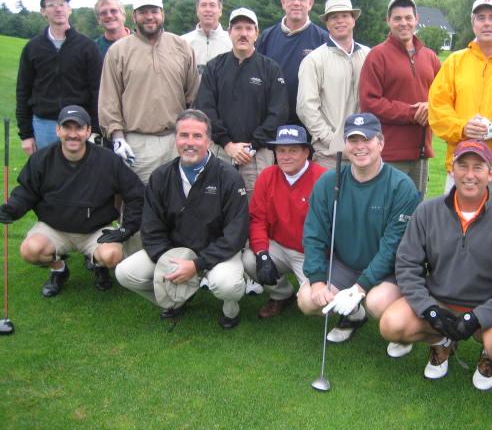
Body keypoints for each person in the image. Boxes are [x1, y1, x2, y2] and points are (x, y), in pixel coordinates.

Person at [380, 140, 492, 390]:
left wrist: (477, 317)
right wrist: (429, 309)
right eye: (462, 166)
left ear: (491, 173)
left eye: (478, 167)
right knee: (391, 325)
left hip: (488, 307)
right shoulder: (427, 211)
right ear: (451, 168)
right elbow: (407, 266)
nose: (469, 175)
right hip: (439, 301)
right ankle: (442, 341)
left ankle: (488, 355)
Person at [298, 113, 421, 357]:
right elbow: (313, 235)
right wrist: (319, 280)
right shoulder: (329, 182)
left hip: (389, 270)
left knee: (377, 303)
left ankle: (402, 332)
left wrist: (360, 288)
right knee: (306, 299)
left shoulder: (401, 186)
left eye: (367, 139)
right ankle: (354, 316)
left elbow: (392, 247)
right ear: (345, 144)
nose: (360, 147)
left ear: (381, 143)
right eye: (353, 140)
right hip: (346, 264)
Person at [115, 110, 249, 328]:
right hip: (174, 253)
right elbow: (150, 228)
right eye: (184, 135)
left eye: (197, 136)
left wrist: (197, 265)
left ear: (209, 140)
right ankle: (177, 298)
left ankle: (230, 309)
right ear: (175, 139)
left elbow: (236, 234)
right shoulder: (160, 176)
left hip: (218, 254)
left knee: (226, 284)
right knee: (125, 273)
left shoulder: (229, 177)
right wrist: (169, 263)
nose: (190, 143)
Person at [0, 106, 143, 296]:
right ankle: (59, 269)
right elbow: (27, 191)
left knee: (112, 255)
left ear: (88, 131)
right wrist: (13, 209)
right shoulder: (41, 159)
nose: (73, 134)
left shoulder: (108, 160)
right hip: (54, 228)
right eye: (67, 128)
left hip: (95, 230)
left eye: (79, 128)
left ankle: (98, 264)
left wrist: (126, 228)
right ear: (58, 130)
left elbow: (136, 194)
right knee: (30, 250)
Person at [429, 0, 492, 200]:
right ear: (473, 24)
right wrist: (463, 128)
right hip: (460, 170)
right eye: (480, 17)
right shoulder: (455, 62)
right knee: (454, 229)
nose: (486, 23)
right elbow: (437, 109)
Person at [99, 0, 200, 184]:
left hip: (176, 139)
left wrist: (190, 134)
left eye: (154, 11)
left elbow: (193, 94)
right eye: (143, 12)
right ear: (134, 16)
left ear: (162, 14)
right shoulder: (118, 51)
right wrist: (118, 138)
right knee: (140, 204)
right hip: (138, 143)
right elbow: (109, 99)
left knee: (180, 202)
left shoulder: (181, 47)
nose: (149, 16)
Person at [195, 7, 288, 197]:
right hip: (220, 152)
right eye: (238, 28)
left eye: (249, 28)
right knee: (217, 208)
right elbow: (206, 109)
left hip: (257, 156)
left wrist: (251, 146)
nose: (243, 34)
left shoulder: (270, 69)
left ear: (257, 33)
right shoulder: (214, 67)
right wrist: (228, 144)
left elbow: (278, 113)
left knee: (255, 212)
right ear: (229, 33)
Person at [359, 0, 440, 196]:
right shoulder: (377, 56)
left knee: (416, 216)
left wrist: (431, 107)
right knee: (388, 212)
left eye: (408, 18)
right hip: (390, 154)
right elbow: (369, 103)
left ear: (416, 19)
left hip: (421, 153)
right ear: (388, 21)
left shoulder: (429, 57)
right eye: (397, 18)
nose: (403, 23)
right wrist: (412, 113)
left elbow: (444, 96)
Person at [242, 125, 326, 318]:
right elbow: (257, 220)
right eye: (281, 150)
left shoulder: (322, 178)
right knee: (249, 259)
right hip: (278, 247)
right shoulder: (267, 176)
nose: (286, 156)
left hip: (310, 254)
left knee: (317, 305)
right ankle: (282, 294)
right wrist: (263, 254)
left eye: (293, 150)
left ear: (306, 152)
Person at [16, 0, 102, 155]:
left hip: (79, 124)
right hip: (44, 125)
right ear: (43, 11)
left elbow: (97, 90)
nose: (58, 9)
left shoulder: (87, 46)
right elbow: (23, 91)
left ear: (69, 9)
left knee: (82, 177)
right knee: (48, 176)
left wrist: (95, 129)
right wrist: (26, 135)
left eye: (62, 4)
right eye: (51, 5)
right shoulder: (32, 48)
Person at [297, 0, 369, 169]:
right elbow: (306, 107)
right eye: (334, 17)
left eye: (345, 16)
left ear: (353, 20)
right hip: (329, 156)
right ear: (327, 23)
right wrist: (333, 141)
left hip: (364, 151)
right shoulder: (314, 60)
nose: (340, 21)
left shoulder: (369, 55)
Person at [257, 0, 329, 126]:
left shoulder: (323, 39)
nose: (296, 3)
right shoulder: (267, 37)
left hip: (310, 127)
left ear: (310, 3)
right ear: (283, 2)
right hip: (271, 125)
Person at [181, 0, 232, 75]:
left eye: (212, 5)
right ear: (197, 10)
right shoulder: (183, 42)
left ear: (220, 11)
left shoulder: (232, 42)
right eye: (203, 5)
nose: (208, 9)